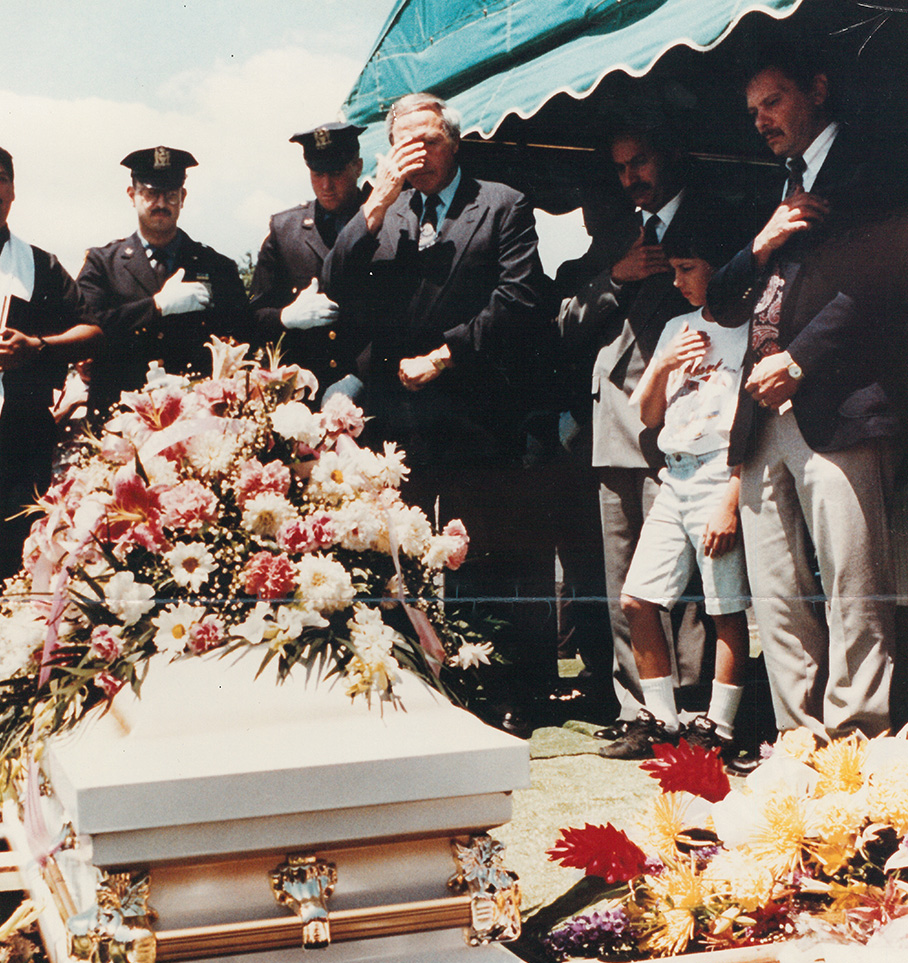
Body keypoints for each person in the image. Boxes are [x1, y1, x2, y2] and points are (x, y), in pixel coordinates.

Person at [322, 92, 551, 731]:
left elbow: (520, 298)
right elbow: (336, 282)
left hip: (476, 408)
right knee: (409, 555)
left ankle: (499, 691)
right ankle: (423, 691)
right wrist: (376, 202)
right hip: (401, 415)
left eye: (426, 140)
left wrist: (446, 356)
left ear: (454, 143)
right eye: (402, 143)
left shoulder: (501, 204)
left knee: (480, 555)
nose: (414, 153)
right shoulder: (384, 212)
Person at [707, 45, 904, 739]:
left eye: (774, 102)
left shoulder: (875, 166)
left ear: (817, 89)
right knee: (778, 597)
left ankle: (860, 750)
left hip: (840, 407)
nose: (761, 121)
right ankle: (799, 746)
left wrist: (801, 359)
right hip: (760, 422)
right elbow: (718, 302)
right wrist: (757, 246)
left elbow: (880, 282)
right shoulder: (776, 190)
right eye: (753, 110)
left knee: (855, 592)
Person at [558, 127, 709, 741]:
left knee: (687, 579)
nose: (631, 178)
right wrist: (616, 276)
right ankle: (640, 710)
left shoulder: (711, 221)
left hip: (682, 423)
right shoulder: (614, 239)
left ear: (669, 154)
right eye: (620, 168)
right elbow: (566, 322)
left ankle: (696, 709)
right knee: (626, 577)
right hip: (614, 428)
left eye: (640, 162)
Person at [600, 219, 751, 759]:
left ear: (723, 269)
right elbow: (646, 413)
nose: (679, 280)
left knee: (724, 604)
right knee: (638, 599)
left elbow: (753, 426)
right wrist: (663, 363)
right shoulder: (677, 327)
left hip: (720, 472)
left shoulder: (750, 331)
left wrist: (731, 499)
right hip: (675, 472)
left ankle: (722, 727)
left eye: (689, 269)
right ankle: (661, 718)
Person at [0, 137, 102, 601]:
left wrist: (38, 347)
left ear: (14, 191)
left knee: (10, 580)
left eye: (0, 178)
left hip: (17, 450)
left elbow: (92, 331)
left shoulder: (39, 265)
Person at [77, 146, 250, 415]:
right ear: (132, 195)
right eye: (151, 193)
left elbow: (241, 337)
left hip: (196, 419)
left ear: (183, 197)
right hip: (119, 417)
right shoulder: (102, 263)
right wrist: (155, 307)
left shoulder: (217, 267)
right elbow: (86, 329)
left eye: (170, 195)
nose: (160, 204)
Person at [250, 122, 369, 396]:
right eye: (317, 174)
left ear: (358, 166)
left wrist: (361, 376)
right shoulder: (285, 230)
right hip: (304, 401)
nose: (326, 185)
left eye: (337, 172)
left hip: (374, 393)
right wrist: (285, 318)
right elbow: (253, 318)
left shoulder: (387, 218)